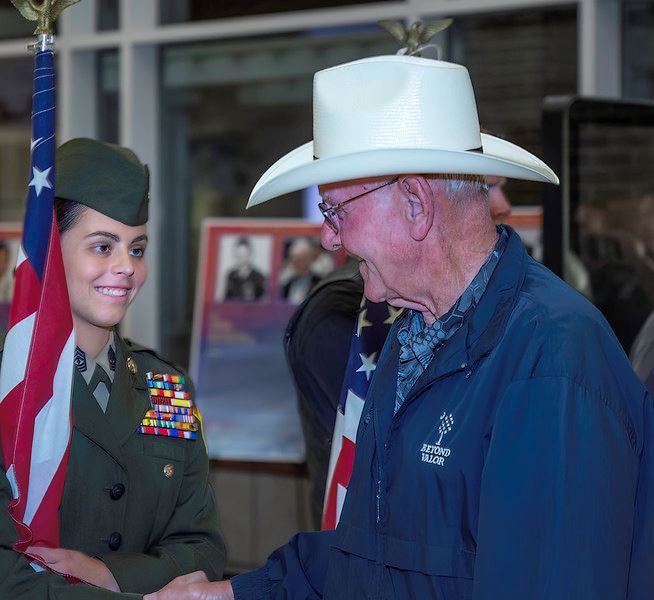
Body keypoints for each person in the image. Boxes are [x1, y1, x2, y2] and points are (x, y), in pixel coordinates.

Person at [150, 53, 654, 599]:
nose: (328, 238)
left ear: (415, 202)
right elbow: (380, 554)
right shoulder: (412, 334)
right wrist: (233, 594)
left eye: (336, 209)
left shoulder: (552, 357)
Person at [0, 138, 226, 599]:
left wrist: (110, 575)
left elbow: (203, 550)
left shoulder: (166, 386)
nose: (127, 267)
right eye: (103, 247)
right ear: (49, 250)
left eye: (138, 248)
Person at [287, 170, 517, 530]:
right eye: (488, 188)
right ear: (417, 202)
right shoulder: (345, 312)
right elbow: (375, 487)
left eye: (337, 211)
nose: (503, 205)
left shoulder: (534, 326)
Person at [223, 236, 266, 301]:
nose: (241, 258)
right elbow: (226, 299)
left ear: (249, 254)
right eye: (239, 255)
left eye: (244, 255)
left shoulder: (259, 276)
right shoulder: (231, 275)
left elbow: (262, 301)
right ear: (236, 255)